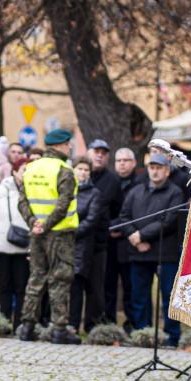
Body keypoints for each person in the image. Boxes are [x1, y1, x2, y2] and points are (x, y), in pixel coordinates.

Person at [16, 129, 82, 344]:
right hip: (60, 234)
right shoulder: (64, 170)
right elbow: (63, 204)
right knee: (59, 279)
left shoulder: (31, 168)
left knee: (36, 277)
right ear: (59, 146)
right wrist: (46, 225)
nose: (70, 147)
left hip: (36, 234)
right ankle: (59, 329)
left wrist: (33, 223)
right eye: (68, 144)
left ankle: (27, 327)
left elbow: (22, 201)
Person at [116, 153, 184, 347]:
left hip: (166, 254)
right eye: (152, 167)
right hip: (139, 252)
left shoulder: (175, 192)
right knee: (139, 297)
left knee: (168, 297)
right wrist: (135, 239)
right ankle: (142, 334)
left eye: (159, 167)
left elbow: (168, 220)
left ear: (167, 170)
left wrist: (142, 236)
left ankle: (172, 336)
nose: (154, 171)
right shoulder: (136, 191)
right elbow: (124, 217)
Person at [0, 158, 30, 331]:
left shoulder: (33, 191)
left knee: (22, 288)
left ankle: (20, 324)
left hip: (24, 248)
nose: (26, 173)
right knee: (4, 287)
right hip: (2, 247)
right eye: (24, 169)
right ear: (15, 171)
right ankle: (4, 323)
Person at [87, 139, 121, 329]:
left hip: (103, 241)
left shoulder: (112, 180)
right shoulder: (80, 175)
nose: (99, 155)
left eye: (103, 152)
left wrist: (112, 227)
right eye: (96, 151)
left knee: (101, 284)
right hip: (79, 237)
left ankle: (97, 322)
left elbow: (119, 209)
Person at [106, 147, 141, 327]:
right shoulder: (111, 181)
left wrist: (121, 225)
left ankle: (132, 322)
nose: (121, 163)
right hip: (110, 241)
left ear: (133, 163)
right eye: (118, 160)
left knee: (130, 285)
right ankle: (109, 320)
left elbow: (137, 210)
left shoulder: (140, 183)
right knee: (109, 283)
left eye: (125, 160)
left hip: (130, 241)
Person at [69, 155, 104, 333]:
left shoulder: (94, 194)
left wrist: (69, 232)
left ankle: (73, 326)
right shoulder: (66, 190)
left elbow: (91, 220)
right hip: (63, 246)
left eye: (86, 170)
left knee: (77, 288)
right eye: (79, 169)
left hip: (81, 247)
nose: (82, 173)